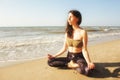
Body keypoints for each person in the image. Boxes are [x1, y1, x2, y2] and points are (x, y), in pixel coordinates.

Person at [47, 10, 95, 76]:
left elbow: (84, 50)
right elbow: (64, 48)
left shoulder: (83, 32)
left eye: (70, 17)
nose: (68, 19)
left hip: (79, 58)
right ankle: (70, 65)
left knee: (88, 71)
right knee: (50, 62)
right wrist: (54, 56)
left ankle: (75, 65)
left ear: (77, 19)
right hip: (69, 57)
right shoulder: (68, 32)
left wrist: (89, 62)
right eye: (68, 17)